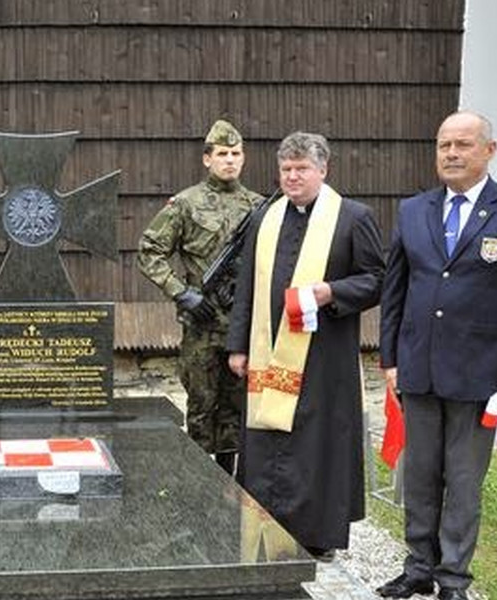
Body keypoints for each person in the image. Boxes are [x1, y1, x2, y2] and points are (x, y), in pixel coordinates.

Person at [377, 111, 497, 600]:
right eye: (443, 145)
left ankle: (453, 577)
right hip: (418, 369)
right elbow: (396, 291)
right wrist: (390, 357)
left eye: (462, 144)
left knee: (462, 479)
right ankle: (418, 566)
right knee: (419, 475)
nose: (451, 154)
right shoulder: (414, 210)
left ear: (489, 150)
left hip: (481, 375)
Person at [226, 131, 384, 560]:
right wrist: (237, 345)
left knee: (316, 441)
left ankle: (316, 535)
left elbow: (377, 279)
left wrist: (331, 292)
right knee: (266, 437)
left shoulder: (353, 217)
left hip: (323, 354)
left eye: (301, 169)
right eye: (286, 169)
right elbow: (246, 287)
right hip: (266, 349)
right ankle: (263, 524)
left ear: (323, 169)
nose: (292, 177)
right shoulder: (265, 217)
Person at [137, 119, 263, 474]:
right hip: (202, 326)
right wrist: (181, 293)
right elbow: (149, 251)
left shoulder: (259, 207)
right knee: (202, 407)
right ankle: (198, 486)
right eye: (222, 154)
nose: (230, 161)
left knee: (237, 411)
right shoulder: (185, 204)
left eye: (236, 153)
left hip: (243, 325)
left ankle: (233, 487)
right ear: (207, 159)